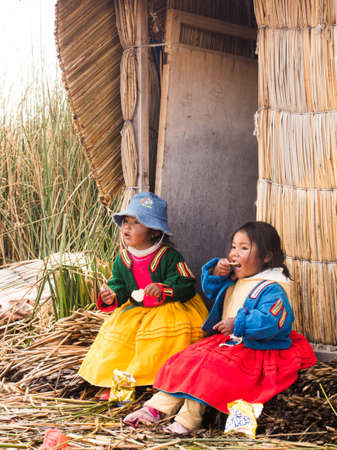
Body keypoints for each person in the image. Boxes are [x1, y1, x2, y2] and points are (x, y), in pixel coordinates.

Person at [124, 221, 317, 434]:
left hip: (254, 349)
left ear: (267, 256)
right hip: (227, 344)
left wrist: (239, 322)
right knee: (186, 361)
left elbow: (272, 322)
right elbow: (213, 292)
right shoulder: (237, 280)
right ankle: (155, 408)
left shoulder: (271, 287)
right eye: (233, 247)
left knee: (208, 371)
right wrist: (217, 273)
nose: (235, 253)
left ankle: (186, 421)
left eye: (244, 248)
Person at [78, 192, 208, 400]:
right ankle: (119, 384)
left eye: (136, 222)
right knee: (119, 343)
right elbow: (118, 284)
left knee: (161, 343)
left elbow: (185, 285)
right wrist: (112, 294)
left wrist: (163, 289)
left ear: (155, 232)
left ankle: (159, 382)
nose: (127, 227)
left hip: (169, 309)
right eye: (126, 221)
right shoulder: (122, 259)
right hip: (137, 310)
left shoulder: (169, 257)